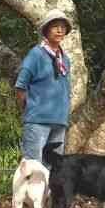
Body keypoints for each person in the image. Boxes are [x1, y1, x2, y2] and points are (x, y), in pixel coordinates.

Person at [15, 9, 73, 165]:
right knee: (32, 166)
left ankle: (47, 191)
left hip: (60, 122)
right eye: (55, 26)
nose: (60, 30)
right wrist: (28, 109)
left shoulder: (65, 59)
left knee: (53, 169)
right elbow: (21, 85)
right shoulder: (36, 54)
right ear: (46, 30)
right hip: (37, 121)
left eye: (63, 27)